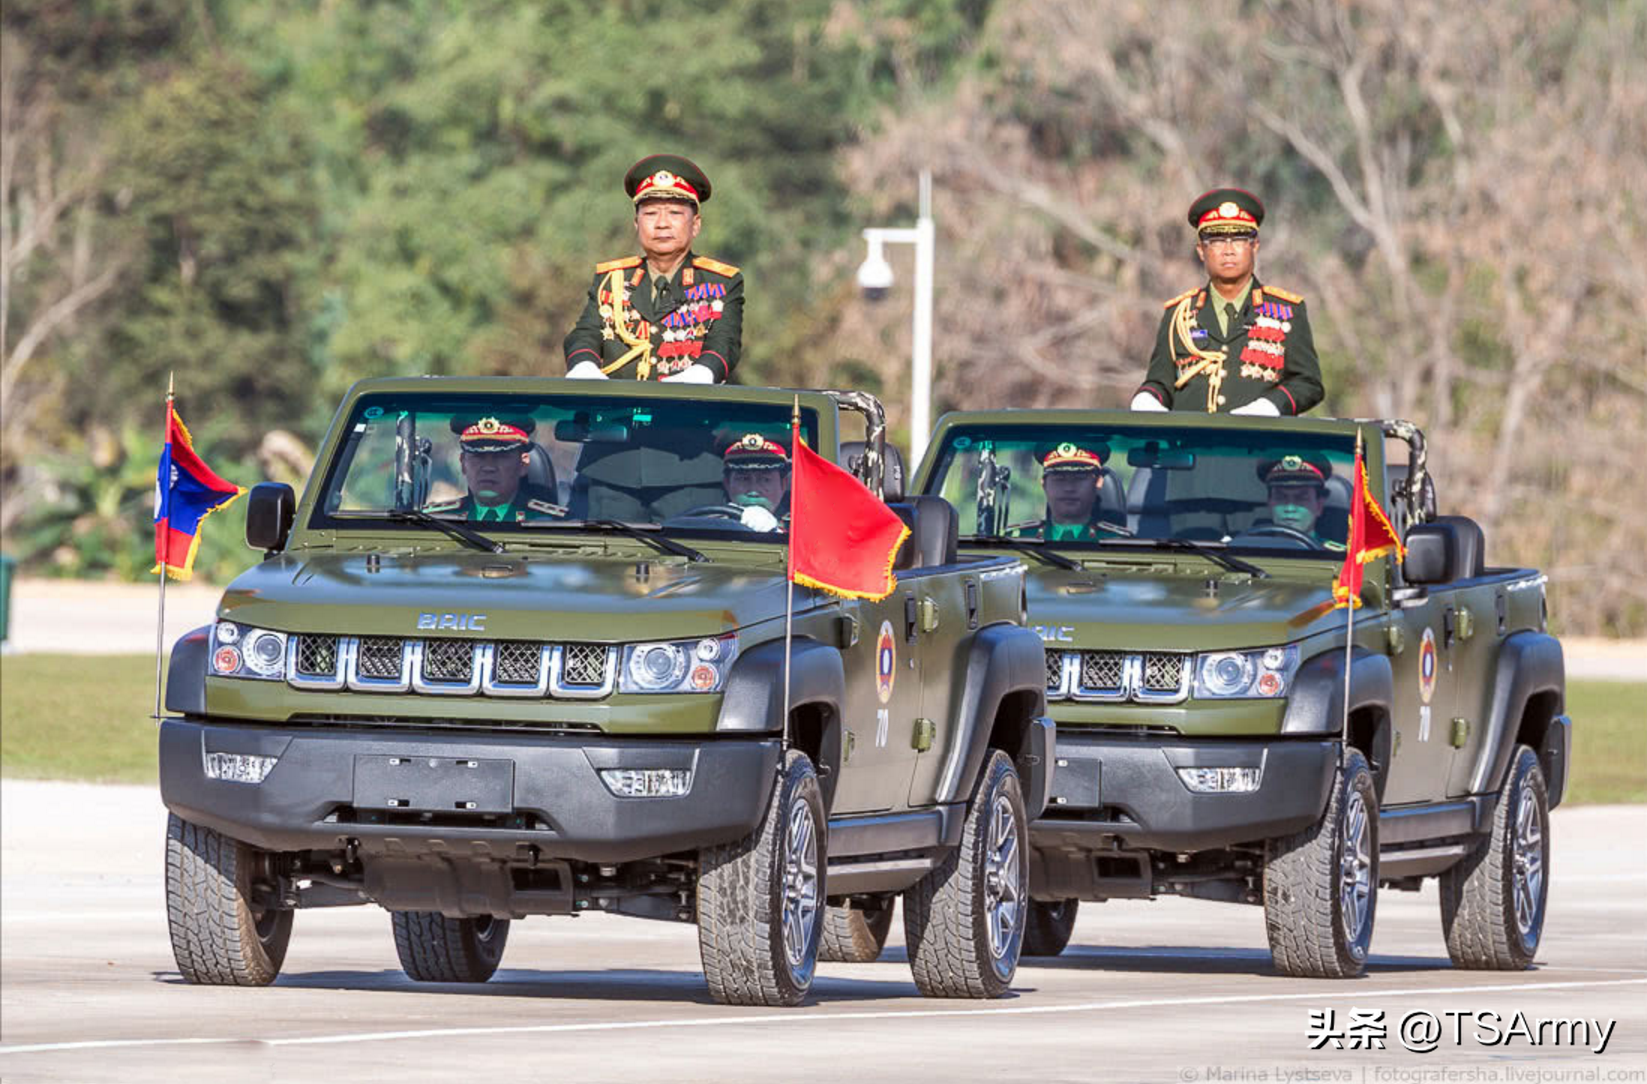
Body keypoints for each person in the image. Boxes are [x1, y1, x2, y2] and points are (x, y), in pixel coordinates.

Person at [1132, 188, 1323, 416]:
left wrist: (1271, 405)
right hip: (1191, 446)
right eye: (1217, 241)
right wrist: (1146, 398)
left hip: (1260, 446)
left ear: (1255, 246)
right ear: (1201, 250)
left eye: (1240, 239)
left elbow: (1308, 382)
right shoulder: (1179, 314)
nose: (1229, 250)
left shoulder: (1287, 311)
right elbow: (1160, 383)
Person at [563, 154, 744, 383]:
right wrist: (584, 367)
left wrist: (700, 375)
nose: (662, 223)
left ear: (695, 225)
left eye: (675, 213)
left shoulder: (722, 282)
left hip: (690, 410)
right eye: (650, 214)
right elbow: (585, 334)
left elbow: (724, 342)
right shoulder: (612, 279)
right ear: (636, 224)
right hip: (618, 410)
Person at [424, 417, 565, 522]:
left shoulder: (553, 522)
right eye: (478, 456)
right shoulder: (435, 520)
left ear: (523, 465)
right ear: (463, 464)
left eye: (501, 456)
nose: (488, 467)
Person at [1016, 442, 1124, 541]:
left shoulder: (1119, 543)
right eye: (1059, 478)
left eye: (1080, 478)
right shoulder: (1016, 540)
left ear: (1098, 482)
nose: (1069, 488)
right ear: (1044, 483)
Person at [1252, 453, 1344, 550]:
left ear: (1319, 506)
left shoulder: (1337, 557)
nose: (1290, 508)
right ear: (1269, 503)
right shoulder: (1248, 549)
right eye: (1281, 498)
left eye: (1301, 498)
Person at [720, 432, 791, 532]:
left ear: (783, 485)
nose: (753, 491)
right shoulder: (707, 527)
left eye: (765, 480)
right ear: (727, 483)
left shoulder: (799, 533)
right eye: (744, 479)